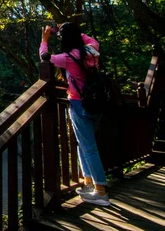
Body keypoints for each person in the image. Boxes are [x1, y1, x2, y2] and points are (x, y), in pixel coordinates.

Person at [40, 22, 110, 206]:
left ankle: (101, 192)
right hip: (98, 103)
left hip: (80, 104)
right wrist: (69, 29)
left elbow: (44, 56)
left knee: (89, 147)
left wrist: (45, 39)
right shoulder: (92, 49)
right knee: (83, 144)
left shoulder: (68, 57)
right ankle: (88, 182)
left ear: (65, 39)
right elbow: (88, 38)